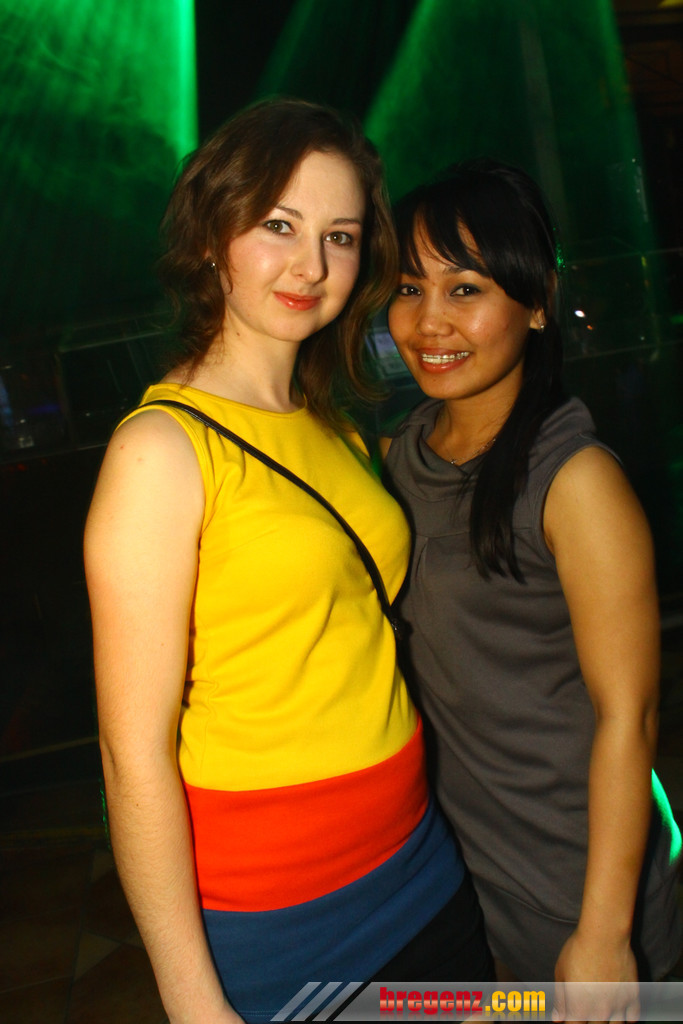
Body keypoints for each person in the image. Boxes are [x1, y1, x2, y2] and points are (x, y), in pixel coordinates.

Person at [84, 100, 492, 1024]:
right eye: (278, 225)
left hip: (419, 866)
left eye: (338, 236)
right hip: (279, 920)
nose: (310, 265)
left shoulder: (332, 425)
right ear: (210, 236)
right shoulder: (160, 452)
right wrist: (194, 1002)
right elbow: (130, 754)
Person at [382, 159, 682, 1019]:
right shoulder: (401, 457)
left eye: (464, 288)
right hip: (465, 879)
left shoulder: (574, 484)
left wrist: (603, 933)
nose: (428, 322)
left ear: (537, 301)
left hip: (574, 885)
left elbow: (629, 717)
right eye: (408, 288)